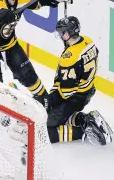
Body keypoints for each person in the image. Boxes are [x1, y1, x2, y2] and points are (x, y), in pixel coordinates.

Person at [34, 16, 113, 145]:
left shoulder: (69, 57)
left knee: (46, 126)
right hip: (87, 90)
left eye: (62, 33)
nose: (60, 36)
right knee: (51, 110)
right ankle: (83, 119)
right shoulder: (88, 41)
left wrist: (49, 99)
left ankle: (83, 130)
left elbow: (65, 92)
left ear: (68, 33)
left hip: (74, 97)